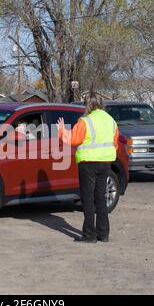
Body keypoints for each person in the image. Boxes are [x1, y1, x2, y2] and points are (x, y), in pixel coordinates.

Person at [57, 93, 119, 243]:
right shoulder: (111, 121)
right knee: (101, 198)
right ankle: (103, 234)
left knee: (88, 199)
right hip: (105, 163)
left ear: (88, 105)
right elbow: (115, 143)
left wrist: (61, 130)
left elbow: (72, 139)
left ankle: (89, 235)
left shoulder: (85, 121)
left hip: (88, 163)